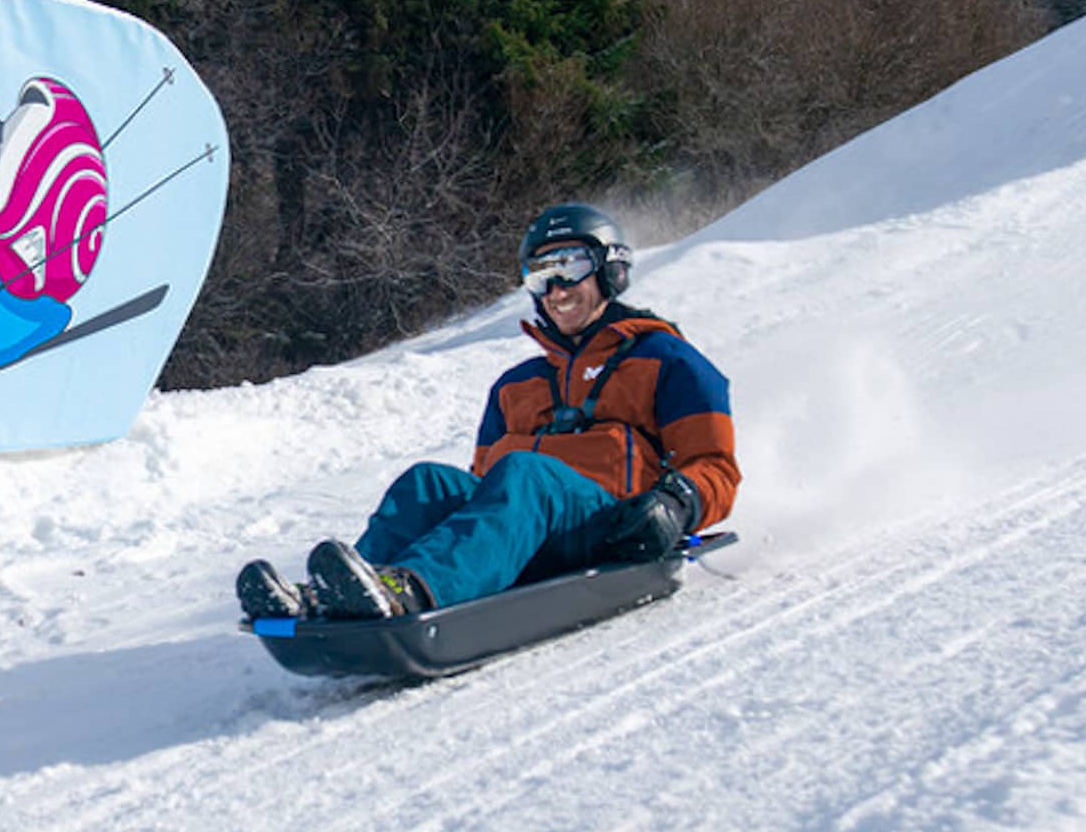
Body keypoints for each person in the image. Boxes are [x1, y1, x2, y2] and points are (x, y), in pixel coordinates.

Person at [237, 202, 740, 621]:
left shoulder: (665, 359)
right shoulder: (516, 386)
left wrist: (676, 503)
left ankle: (409, 591)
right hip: (529, 535)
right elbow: (485, 493)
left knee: (527, 471)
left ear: (611, 269)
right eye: (542, 275)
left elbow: (716, 468)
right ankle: (339, 593)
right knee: (427, 483)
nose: (558, 290)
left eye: (571, 266)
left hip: (612, 527)